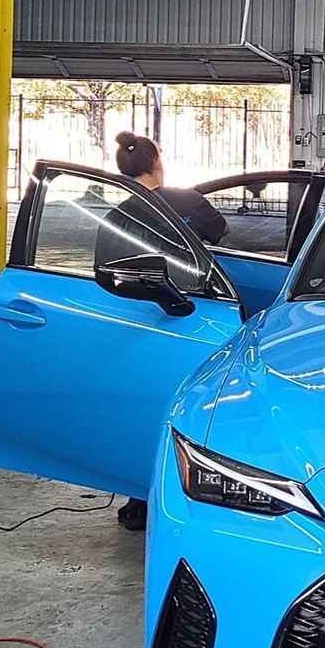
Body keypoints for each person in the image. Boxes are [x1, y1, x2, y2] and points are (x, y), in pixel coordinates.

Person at [111, 131, 228, 532]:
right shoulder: (188, 201)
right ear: (157, 161)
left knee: (144, 407)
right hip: (196, 317)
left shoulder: (118, 215)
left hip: (135, 321)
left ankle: (138, 500)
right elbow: (221, 234)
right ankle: (198, 495)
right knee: (193, 411)